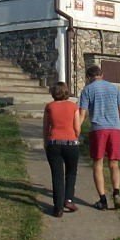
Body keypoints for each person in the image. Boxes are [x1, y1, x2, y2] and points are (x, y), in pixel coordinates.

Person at [78, 64, 120, 210]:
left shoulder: (87, 90)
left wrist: (76, 130)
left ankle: (102, 199)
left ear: (88, 77)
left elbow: (83, 113)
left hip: (98, 129)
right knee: (114, 164)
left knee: (98, 164)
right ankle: (117, 193)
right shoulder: (114, 88)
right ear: (102, 75)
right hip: (115, 129)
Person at [42, 81, 84, 218]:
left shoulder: (49, 107)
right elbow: (77, 128)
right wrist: (76, 137)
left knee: (57, 175)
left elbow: (46, 127)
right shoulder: (73, 106)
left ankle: (58, 207)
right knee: (71, 172)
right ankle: (69, 199)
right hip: (71, 143)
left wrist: (45, 143)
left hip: (54, 143)